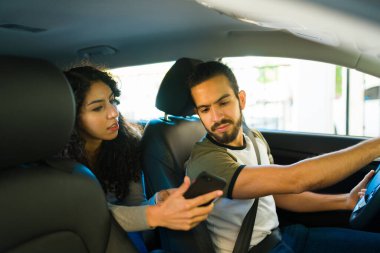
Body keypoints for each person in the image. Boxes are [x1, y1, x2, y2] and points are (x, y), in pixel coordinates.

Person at [185, 61, 380, 253]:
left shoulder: (254, 138)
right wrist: (375, 146)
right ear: (198, 113)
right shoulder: (206, 161)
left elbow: (279, 194)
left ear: (241, 99)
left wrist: (345, 201)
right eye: (205, 109)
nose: (216, 117)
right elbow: (295, 179)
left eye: (223, 102)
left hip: (283, 236)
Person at [60, 66, 222, 239]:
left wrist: (158, 201)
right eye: (98, 108)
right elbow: (87, 216)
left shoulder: (127, 146)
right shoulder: (55, 162)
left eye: (113, 101)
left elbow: (134, 207)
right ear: (72, 115)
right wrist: (157, 215)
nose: (114, 113)